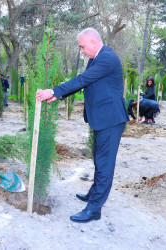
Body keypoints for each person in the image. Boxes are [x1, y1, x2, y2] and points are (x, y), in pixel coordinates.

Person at [36, 28, 129, 223]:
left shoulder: (108, 58)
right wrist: (57, 95)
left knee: (105, 165)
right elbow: (86, 84)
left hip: (111, 120)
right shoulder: (96, 58)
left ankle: (94, 209)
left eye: (83, 47)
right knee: (99, 160)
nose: (82, 51)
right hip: (102, 119)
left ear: (94, 42)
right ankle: (94, 193)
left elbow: (83, 79)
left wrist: (52, 90)